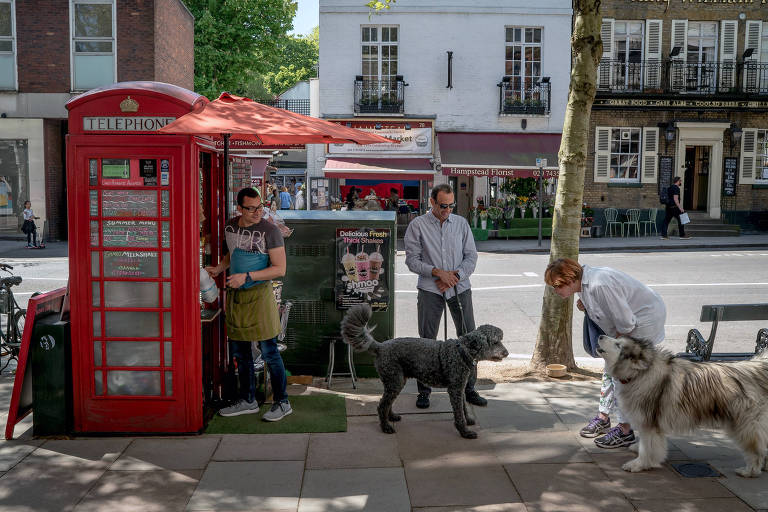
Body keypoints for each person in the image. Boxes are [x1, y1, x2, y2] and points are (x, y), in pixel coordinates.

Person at [544, 257, 667, 449]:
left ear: (568, 280)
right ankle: (604, 416)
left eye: (556, 286)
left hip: (644, 320)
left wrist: (616, 347)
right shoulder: (585, 285)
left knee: (622, 375)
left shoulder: (598, 284)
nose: (555, 291)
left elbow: (626, 323)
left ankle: (625, 430)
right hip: (633, 321)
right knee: (611, 369)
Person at [205, 187, 292, 421]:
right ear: (240, 208)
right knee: (241, 352)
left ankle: (283, 402)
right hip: (236, 297)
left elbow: (279, 269)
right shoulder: (230, 227)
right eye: (251, 209)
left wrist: (248, 276)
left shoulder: (270, 231)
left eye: (260, 207)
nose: (257, 213)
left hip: (260, 296)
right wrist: (220, 268)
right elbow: (230, 255)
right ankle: (248, 400)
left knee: (269, 351)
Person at [404, 183, 486, 409]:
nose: (447, 210)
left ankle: (470, 388)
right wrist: (437, 272)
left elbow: (471, 256)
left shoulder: (461, 224)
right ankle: (424, 391)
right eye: (443, 206)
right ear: (432, 202)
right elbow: (412, 260)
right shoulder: (417, 225)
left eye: (451, 206)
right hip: (430, 289)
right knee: (426, 341)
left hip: (459, 287)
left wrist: (454, 276)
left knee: (470, 338)